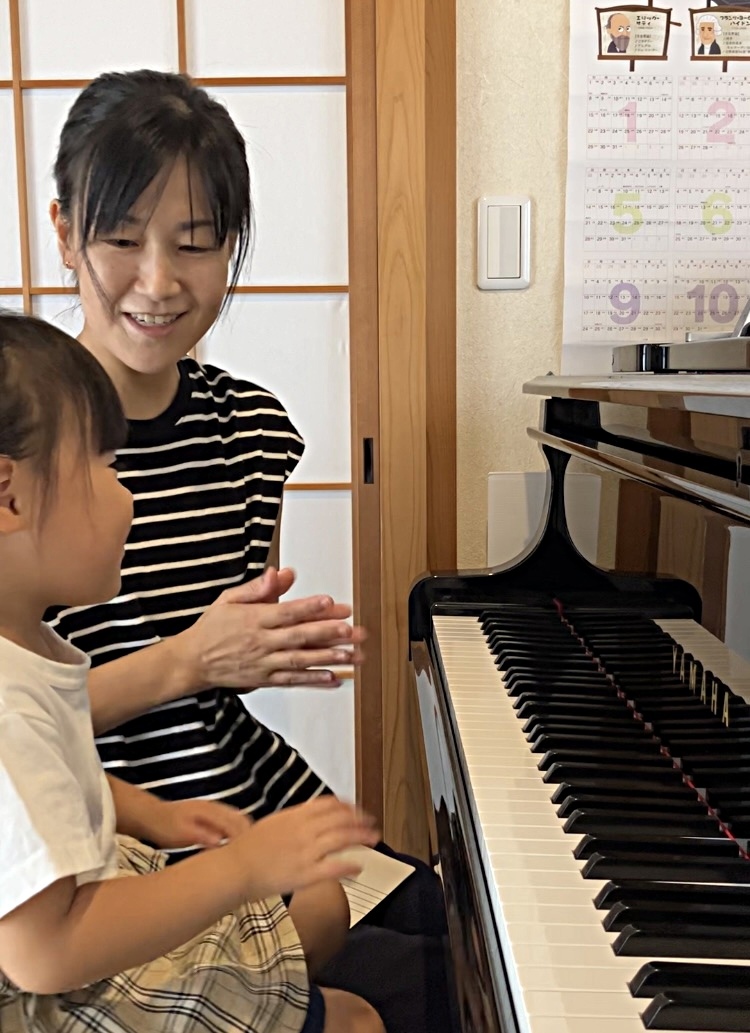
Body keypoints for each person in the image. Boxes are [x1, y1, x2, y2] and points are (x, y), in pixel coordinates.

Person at [45, 70, 455, 1033]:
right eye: (120, 240)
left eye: (195, 243)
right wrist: (189, 659)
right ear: (64, 233)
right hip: (102, 843)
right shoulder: (23, 443)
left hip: (240, 794)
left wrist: (260, 655)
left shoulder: (250, 432)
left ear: (231, 244)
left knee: (459, 928)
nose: (158, 282)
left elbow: (226, 677)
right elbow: (11, 721)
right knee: (423, 993)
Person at [0, 310, 386, 1033]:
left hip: (98, 882)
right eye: (103, 468)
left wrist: (153, 814)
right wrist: (243, 868)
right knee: (357, 1016)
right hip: (53, 987)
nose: (127, 496)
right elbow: (43, 954)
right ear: (9, 496)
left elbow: (53, 779)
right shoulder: (6, 705)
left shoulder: (23, 646)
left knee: (324, 905)